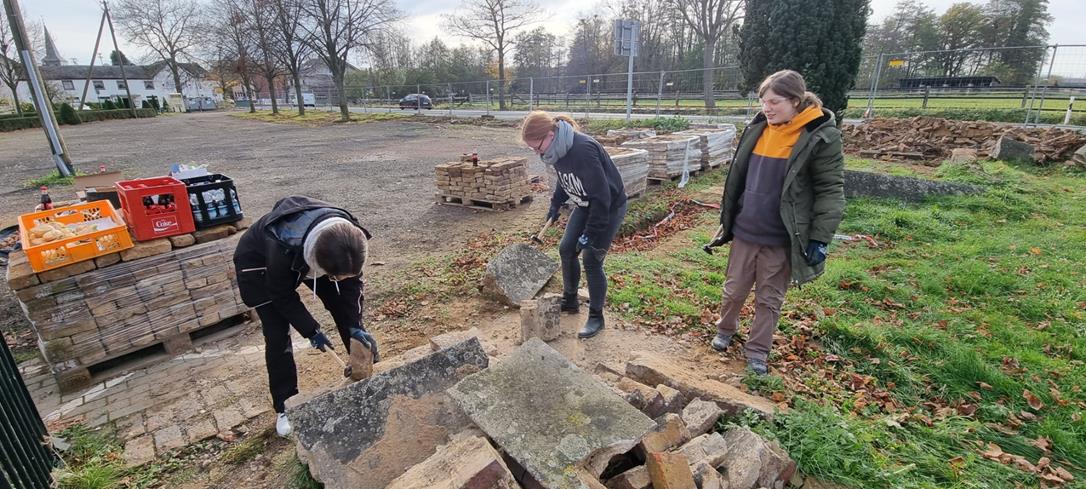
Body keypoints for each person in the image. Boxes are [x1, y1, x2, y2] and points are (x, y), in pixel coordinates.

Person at [705, 70, 845, 375]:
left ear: (795, 102)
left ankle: (757, 350)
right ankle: (725, 330)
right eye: (763, 101)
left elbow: (830, 190)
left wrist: (820, 238)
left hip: (781, 236)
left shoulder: (819, 136)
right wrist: (728, 218)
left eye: (774, 102)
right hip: (746, 230)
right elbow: (739, 179)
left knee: (769, 298)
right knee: (733, 290)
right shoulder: (758, 129)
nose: (766, 108)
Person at [233, 195, 379, 437]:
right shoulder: (279, 244)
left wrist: (355, 324)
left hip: (315, 255)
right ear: (318, 264)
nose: (338, 280)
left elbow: (352, 284)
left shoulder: (347, 238)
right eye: (335, 276)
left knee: (345, 310)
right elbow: (281, 295)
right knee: (277, 334)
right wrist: (311, 330)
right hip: (261, 266)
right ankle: (284, 406)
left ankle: (364, 374)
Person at [520, 111, 628, 339]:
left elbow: (602, 197)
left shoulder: (582, 150)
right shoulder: (556, 149)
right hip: (585, 204)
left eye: (537, 147)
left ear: (550, 135)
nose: (537, 152)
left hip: (607, 208)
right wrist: (555, 204)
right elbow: (564, 179)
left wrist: (589, 234)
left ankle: (597, 317)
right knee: (566, 249)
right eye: (533, 149)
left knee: (591, 258)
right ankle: (570, 300)